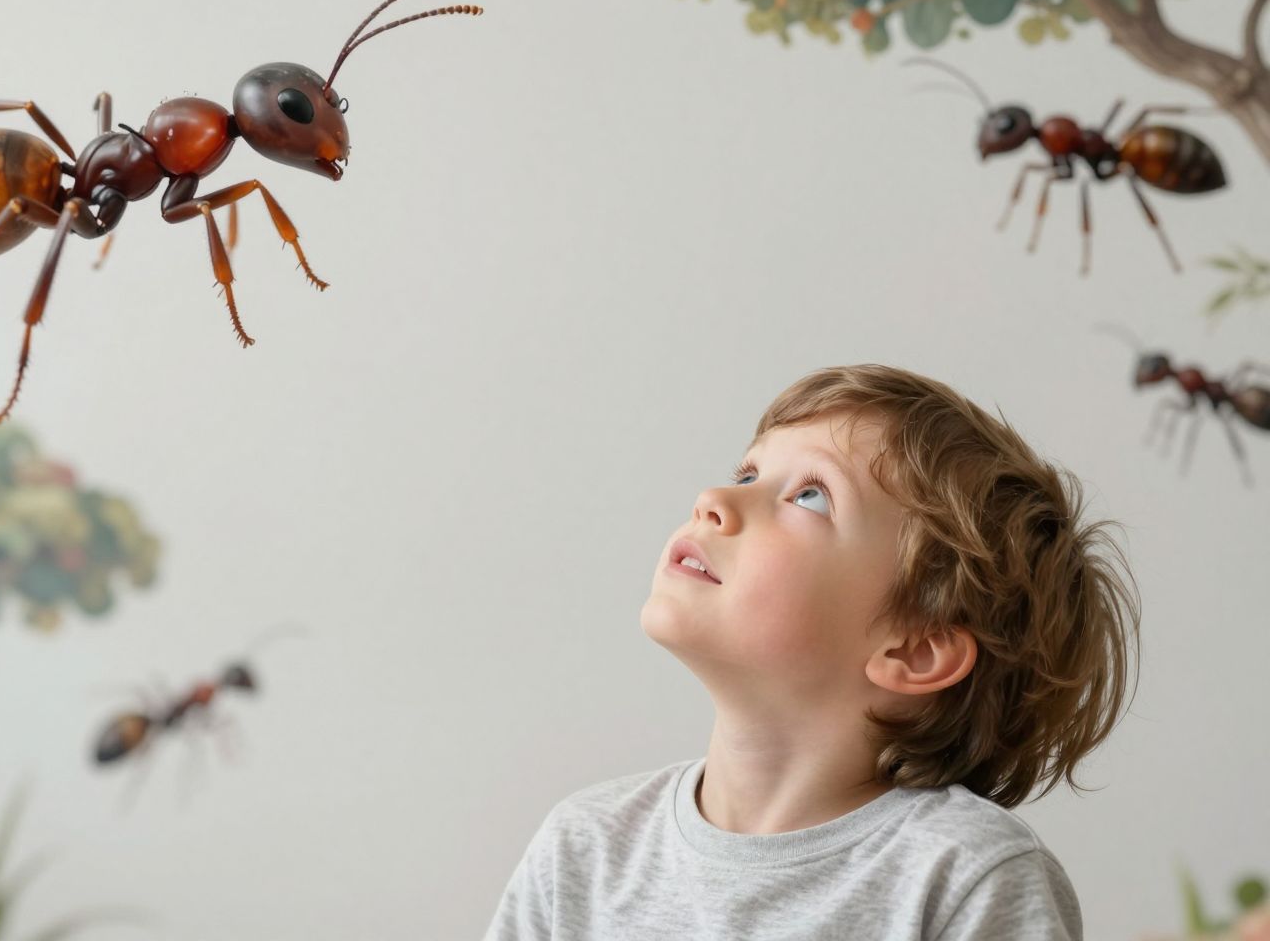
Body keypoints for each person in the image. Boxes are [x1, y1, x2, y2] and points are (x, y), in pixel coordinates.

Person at [485, 364, 1140, 940]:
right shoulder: (585, 848)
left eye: (809, 496)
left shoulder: (964, 874)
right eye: (747, 471)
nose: (713, 501)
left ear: (914, 649)